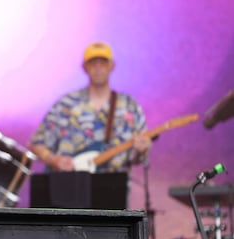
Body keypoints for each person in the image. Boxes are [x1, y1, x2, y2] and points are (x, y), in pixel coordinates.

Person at [29, 42, 152, 174]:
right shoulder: (66, 104)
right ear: (84, 67)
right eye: (93, 63)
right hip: (70, 185)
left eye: (103, 63)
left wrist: (142, 150)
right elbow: (36, 144)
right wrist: (55, 161)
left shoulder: (130, 106)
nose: (98, 68)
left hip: (113, 187)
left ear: (112, 66)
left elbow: (137, 159)